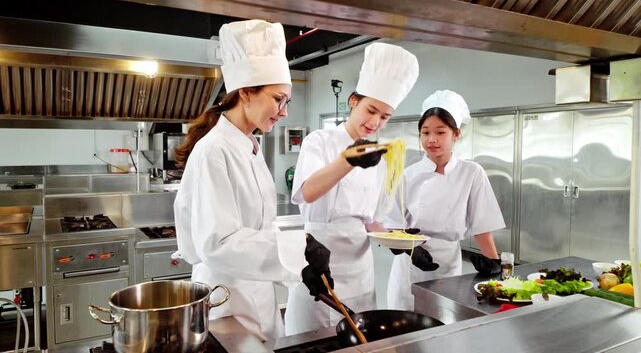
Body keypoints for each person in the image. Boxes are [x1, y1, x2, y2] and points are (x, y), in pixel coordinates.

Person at [173, 19, 333, 341]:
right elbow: (219, 243)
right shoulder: (213, 151)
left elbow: (256, 228)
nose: (284, 112)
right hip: (226, 298)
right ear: (245, 92)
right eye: (278, 99)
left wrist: (299, 261)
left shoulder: (250, 146)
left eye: (287, 101)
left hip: (255, 290)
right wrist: (296, 246)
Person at [284, 42, 429, 335]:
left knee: (359, 340)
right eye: (371, 110)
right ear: (353, 100)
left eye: (385, 116)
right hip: (318, 262)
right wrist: (348, 160)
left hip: (360, 269)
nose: (375, 122)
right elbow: (307, 191)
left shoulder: (381, 156)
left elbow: (371, 220)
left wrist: (401, 242)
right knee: (314, 341)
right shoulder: (319, 141)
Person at [385, 90, 505, 311]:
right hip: (410, 265)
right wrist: (410, 249)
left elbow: (482, 224)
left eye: (440, 132)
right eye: (425, 132)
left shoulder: (471, 172)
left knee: (443, 325)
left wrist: (494, 265)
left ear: (456, 134)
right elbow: (392, 226)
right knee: (405, 330)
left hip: (449, 264)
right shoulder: (407, 175)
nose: (431, 139)